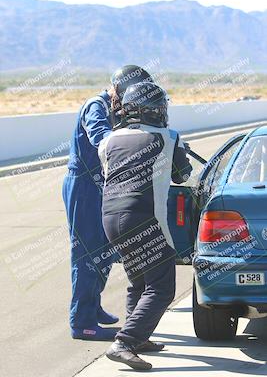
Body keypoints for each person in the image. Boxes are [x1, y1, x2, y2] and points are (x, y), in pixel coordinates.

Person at [98, 82, 192, 369]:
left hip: (111, 220)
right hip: (144, 219)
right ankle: (125, 342)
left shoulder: (109, 140)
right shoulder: (169, 137)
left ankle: (139, 336)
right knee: (162, 286)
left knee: (139, 280)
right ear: (155, 110)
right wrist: (181, 151)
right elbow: (182, 176)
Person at [62, 65, 154, 341]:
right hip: (85, 187)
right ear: (118, 90)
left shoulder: (117, 107)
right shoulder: (96, 106)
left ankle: (93, 306)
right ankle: (83, 323)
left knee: (104, 252)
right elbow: (101, 138)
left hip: (104, 185)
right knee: (87, 254)